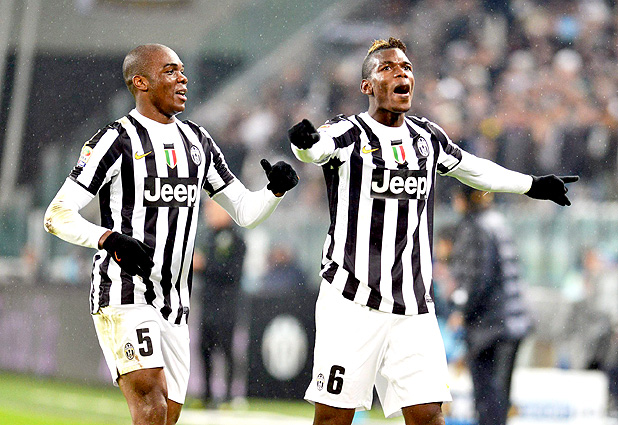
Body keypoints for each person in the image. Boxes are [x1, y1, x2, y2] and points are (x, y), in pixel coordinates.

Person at [288, 37, 577, 425]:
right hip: (351, 300)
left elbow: (474, 168)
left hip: (413, 306)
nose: (401, 73)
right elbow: (317, 148)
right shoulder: (348, 132)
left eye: (406, 67)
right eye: (388, 68)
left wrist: (532, 184)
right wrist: (304, 144)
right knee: (333, 418)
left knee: (428, 416)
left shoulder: (426, 138)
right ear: (367, 86)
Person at [43, 43, 298, 425]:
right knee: (152, 403)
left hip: (175, 303)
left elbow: (244, 211)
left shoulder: (198, 141)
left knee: (167, 415)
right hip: (124, 291)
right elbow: (57, 214)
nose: (183, 78)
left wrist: (274, 191)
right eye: (170, 71)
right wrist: (108, 238)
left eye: (182, 70)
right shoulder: (116, 140)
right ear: (141, 82)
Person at [448, 186, 532, 425]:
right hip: (510, 321)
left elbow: (477, 278)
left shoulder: (475, 227)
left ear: (464, 199)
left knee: (487, 400)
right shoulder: (497, 221)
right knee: (499, 398)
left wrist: (461, 309)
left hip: (489, 327)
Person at [193, 200, 246, 408]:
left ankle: (231, 396)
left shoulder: (236, 240)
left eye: (212, 209)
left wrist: (205, 265)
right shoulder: (207, 237)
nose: (208, 214)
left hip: (226, 304)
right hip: (207, 302)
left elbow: (232, 273)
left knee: (226, 349)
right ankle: (206, 395)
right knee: (204, 348)